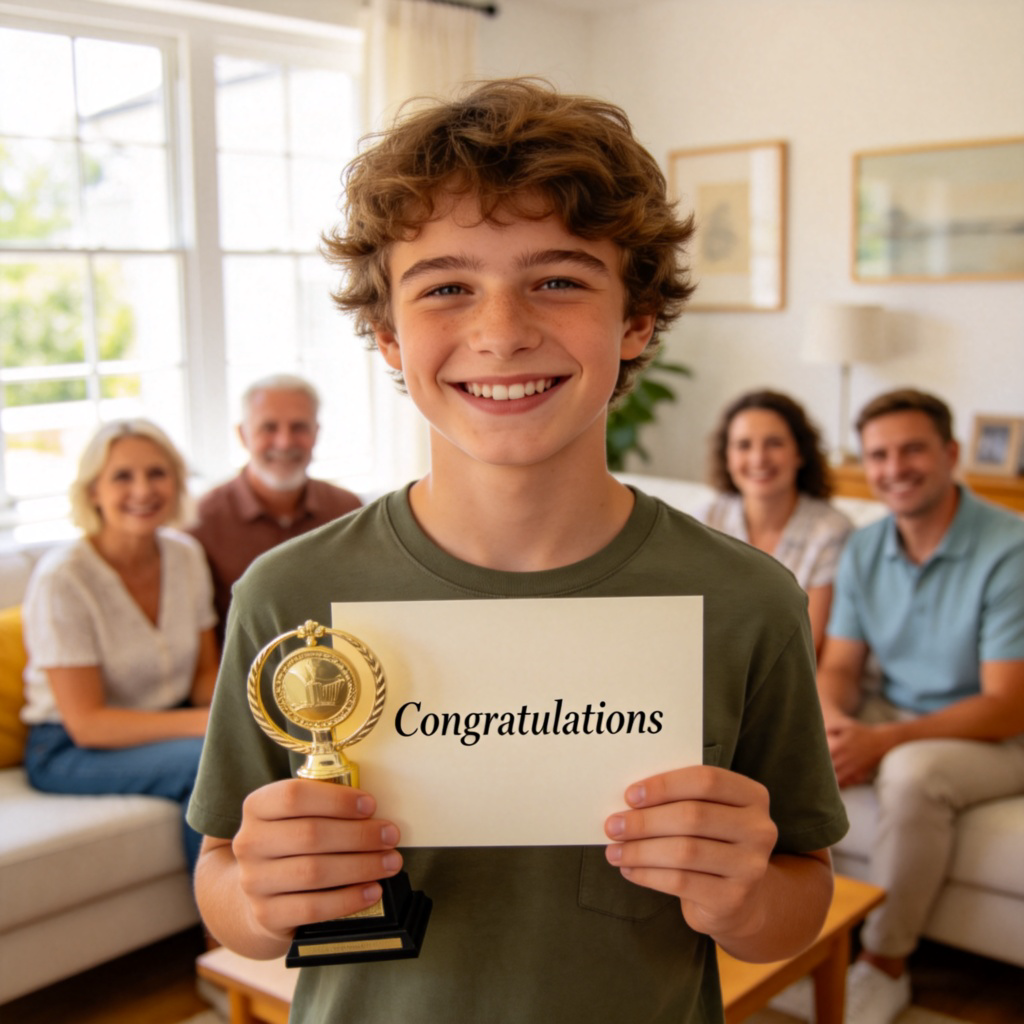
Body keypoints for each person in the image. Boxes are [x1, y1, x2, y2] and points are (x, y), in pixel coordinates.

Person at [187, 79, 848, 1023]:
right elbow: (225, 886)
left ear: (636, 320)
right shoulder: (291, 592)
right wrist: (256, 895)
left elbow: (798, 897)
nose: (500, 332)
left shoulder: (746, 600)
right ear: (386, 335)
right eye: (447, 286)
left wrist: (746, 895)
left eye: (559, 279)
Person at [817, 388, 1024, 1023]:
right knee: (784, 734)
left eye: (912, 450)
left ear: (951, 453)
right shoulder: (865, 546)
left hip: (997, 736)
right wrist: (832, 724)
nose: (893, 468)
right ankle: (802, 944)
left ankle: (884, 964)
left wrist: (881, 744)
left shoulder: (1009, 549)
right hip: (895, 711)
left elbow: (1004, 706)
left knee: (912, 774)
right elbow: (842, 667)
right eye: (878, 455)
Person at [21, 418, 219, 874]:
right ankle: (223, 935)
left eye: (157, 473)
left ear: (176, 482)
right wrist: (208, 726)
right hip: (67, 748)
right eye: (122, 476)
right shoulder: (63, 578)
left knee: (248, 747)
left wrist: (243, 716)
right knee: (206, 765)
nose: (143, 490)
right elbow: (88, 723)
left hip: (167, 721)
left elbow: (205, 675)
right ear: (93, 491)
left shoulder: (185, 555)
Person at [189, 373, 362, 639]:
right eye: (269, 428)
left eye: (299, 427)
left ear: (316, 433)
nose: (284, 442)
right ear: (243, 435)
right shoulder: (203, 519)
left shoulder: (347, 510)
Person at [698, 390, 853, 657]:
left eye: (774, 443)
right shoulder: (704, 521)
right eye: (744, 445)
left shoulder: (830, 531)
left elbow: (808, 647)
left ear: (800, 453)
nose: (759, 458)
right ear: (727, 457)